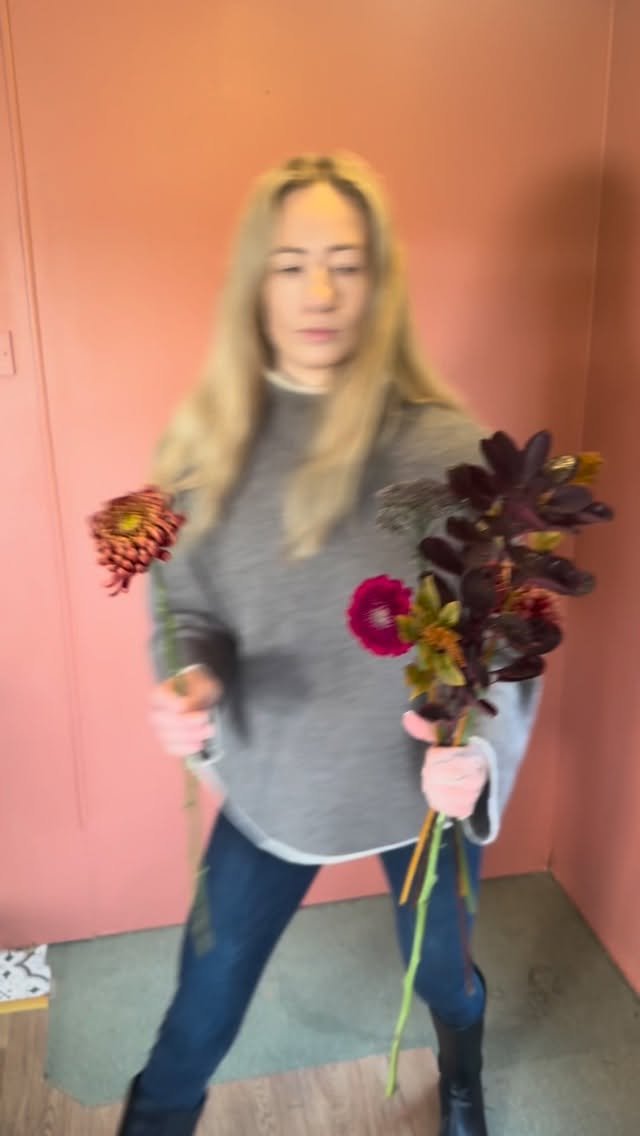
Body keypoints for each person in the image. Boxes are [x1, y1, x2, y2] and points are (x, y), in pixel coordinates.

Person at [116, 153, 541, 1136]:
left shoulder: (449, 449)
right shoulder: (202, 455)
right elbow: (190, 611)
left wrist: (477, 751)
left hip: (419, 791)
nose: (318, 292)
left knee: (443, 970)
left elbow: (504, 634)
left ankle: (461, 1072)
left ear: (379, 281)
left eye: (346, 264)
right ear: (254, 283)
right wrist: (189, 678)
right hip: (277, 785)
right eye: (291, 263)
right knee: (202, 1003)